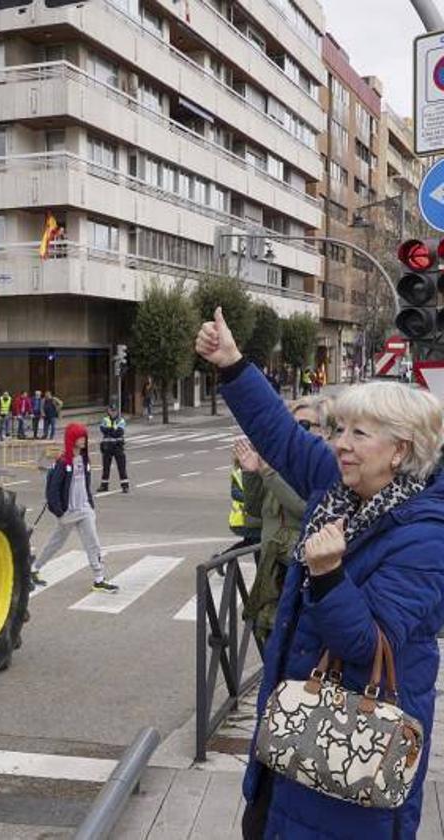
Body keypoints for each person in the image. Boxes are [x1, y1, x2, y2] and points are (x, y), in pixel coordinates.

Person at [197, 306, 444, 839]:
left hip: (357, 765)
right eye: (339, 430)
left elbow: (368, 642)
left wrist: (329, 575)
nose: (340, 444)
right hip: (295, 747)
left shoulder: (427, 536)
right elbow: (282, 438)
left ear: (399, 451)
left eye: (359, 433)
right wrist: (234, 365)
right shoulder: (341, 489)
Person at [234, 398, 329, 647]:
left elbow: (306, 508)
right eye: (292, 426)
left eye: (306, 426)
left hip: (302, 572)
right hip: (273, 568)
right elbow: (254, 510)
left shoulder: (325, 468)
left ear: (326, 431)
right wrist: (251, 471)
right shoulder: (279, 465)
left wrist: (268, 473)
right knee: (272, 647)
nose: (297, 433)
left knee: (298, 652)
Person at [31, 422, 119, 593]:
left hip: (84, 509)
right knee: (56, 542)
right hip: (68, 512)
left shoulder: (84, 460)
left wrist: (90, 505)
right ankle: (34, 568)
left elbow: (85, 484)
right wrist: (59, 511)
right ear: (72, 439)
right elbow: (53, 489)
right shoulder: (63, 462)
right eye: (80, 437)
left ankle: (99, 579)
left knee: (93, 543)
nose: (84, 440)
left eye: (84, 436)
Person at [228, 458, 262, 547]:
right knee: (257, 543)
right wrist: (251, 499)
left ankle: (223, 556)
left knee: (250, 542)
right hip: (242, 519)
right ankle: (223, 557)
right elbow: (235, 493)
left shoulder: (257, 473)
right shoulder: (240, 474)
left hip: (250, 518)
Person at [97, 403, 129, 493]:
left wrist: (109, 430)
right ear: (108, 411)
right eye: (111, 411)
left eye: (114, 411)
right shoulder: (105, 420)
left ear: (117, 411)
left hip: (118, 446)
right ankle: (104, 485)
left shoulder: (121, 420)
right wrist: (112, 430)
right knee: (106, 468)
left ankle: (125, 486)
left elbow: (119, 432)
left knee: (121, 467)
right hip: (107, 447)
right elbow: (103, 430)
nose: (113, 413)